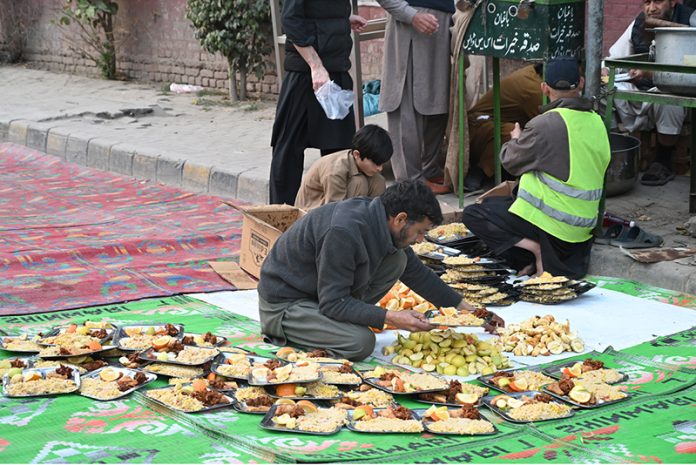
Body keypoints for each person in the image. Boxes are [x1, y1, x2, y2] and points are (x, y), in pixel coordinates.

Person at [258, 180, 505, 361]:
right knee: (361, 342)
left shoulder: (381, 220)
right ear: (400, 219)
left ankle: (333, 326)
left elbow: (418, 274)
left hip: (322, 296)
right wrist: (391, 317)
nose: (421, 240)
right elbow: (333, 303)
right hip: (287, 304)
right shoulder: (343, 232)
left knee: (400, 260)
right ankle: (300, 331)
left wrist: (472, 312)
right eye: (419, 231)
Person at [463, 57, 611, 279]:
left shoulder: (546, 123)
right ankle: (534, 255)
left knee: (474, 213)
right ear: (580, 83)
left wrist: (516, 139)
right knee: (498, 204)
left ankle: (535, 251)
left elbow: (509, 161)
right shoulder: (597, 121)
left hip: (553, 227)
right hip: (583, 228)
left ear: (544, 87)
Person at [269, 0, 367, 205]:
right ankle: (280, 218)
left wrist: (342, 21)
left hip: (336, 70)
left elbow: (318, 10)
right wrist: (316, 65)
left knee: (340, 155)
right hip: (305, 75)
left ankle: (332, 220)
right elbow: (292, 20)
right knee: (287, 151)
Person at [605, 0, 695, 186]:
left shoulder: (690, 20)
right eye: (647, 2)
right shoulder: (640, 22)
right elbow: (614, 57)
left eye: (658, 1)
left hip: (672, 89)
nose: (651, 8)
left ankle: (663, 160)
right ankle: (612, 151)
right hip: (639, 90)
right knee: (604, 91)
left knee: (669, 99)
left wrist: (651, 72)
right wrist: (604, 71)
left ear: (672, 2)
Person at [376, 0, 454, 194]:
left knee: (438, 104)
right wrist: (411, 15)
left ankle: (429, 170)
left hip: (443, 26)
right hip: (411, 26)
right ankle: (410, 182)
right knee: (406, 106)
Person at [465, 64, 544, 192]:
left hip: (490, 125)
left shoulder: (534, 74)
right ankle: (479, 171)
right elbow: (549, 124)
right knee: (512, 132)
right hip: (477, 127)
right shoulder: (533, 88)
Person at [295, 124, 393, 210]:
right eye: (376, 163)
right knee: (359, 182)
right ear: (357, 155)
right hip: (312, 215)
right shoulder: (335, 171)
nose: (380, 168)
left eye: (381, 164)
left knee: (378, 180)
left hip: (336, 210)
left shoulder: (358, 162)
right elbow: (334, 211)